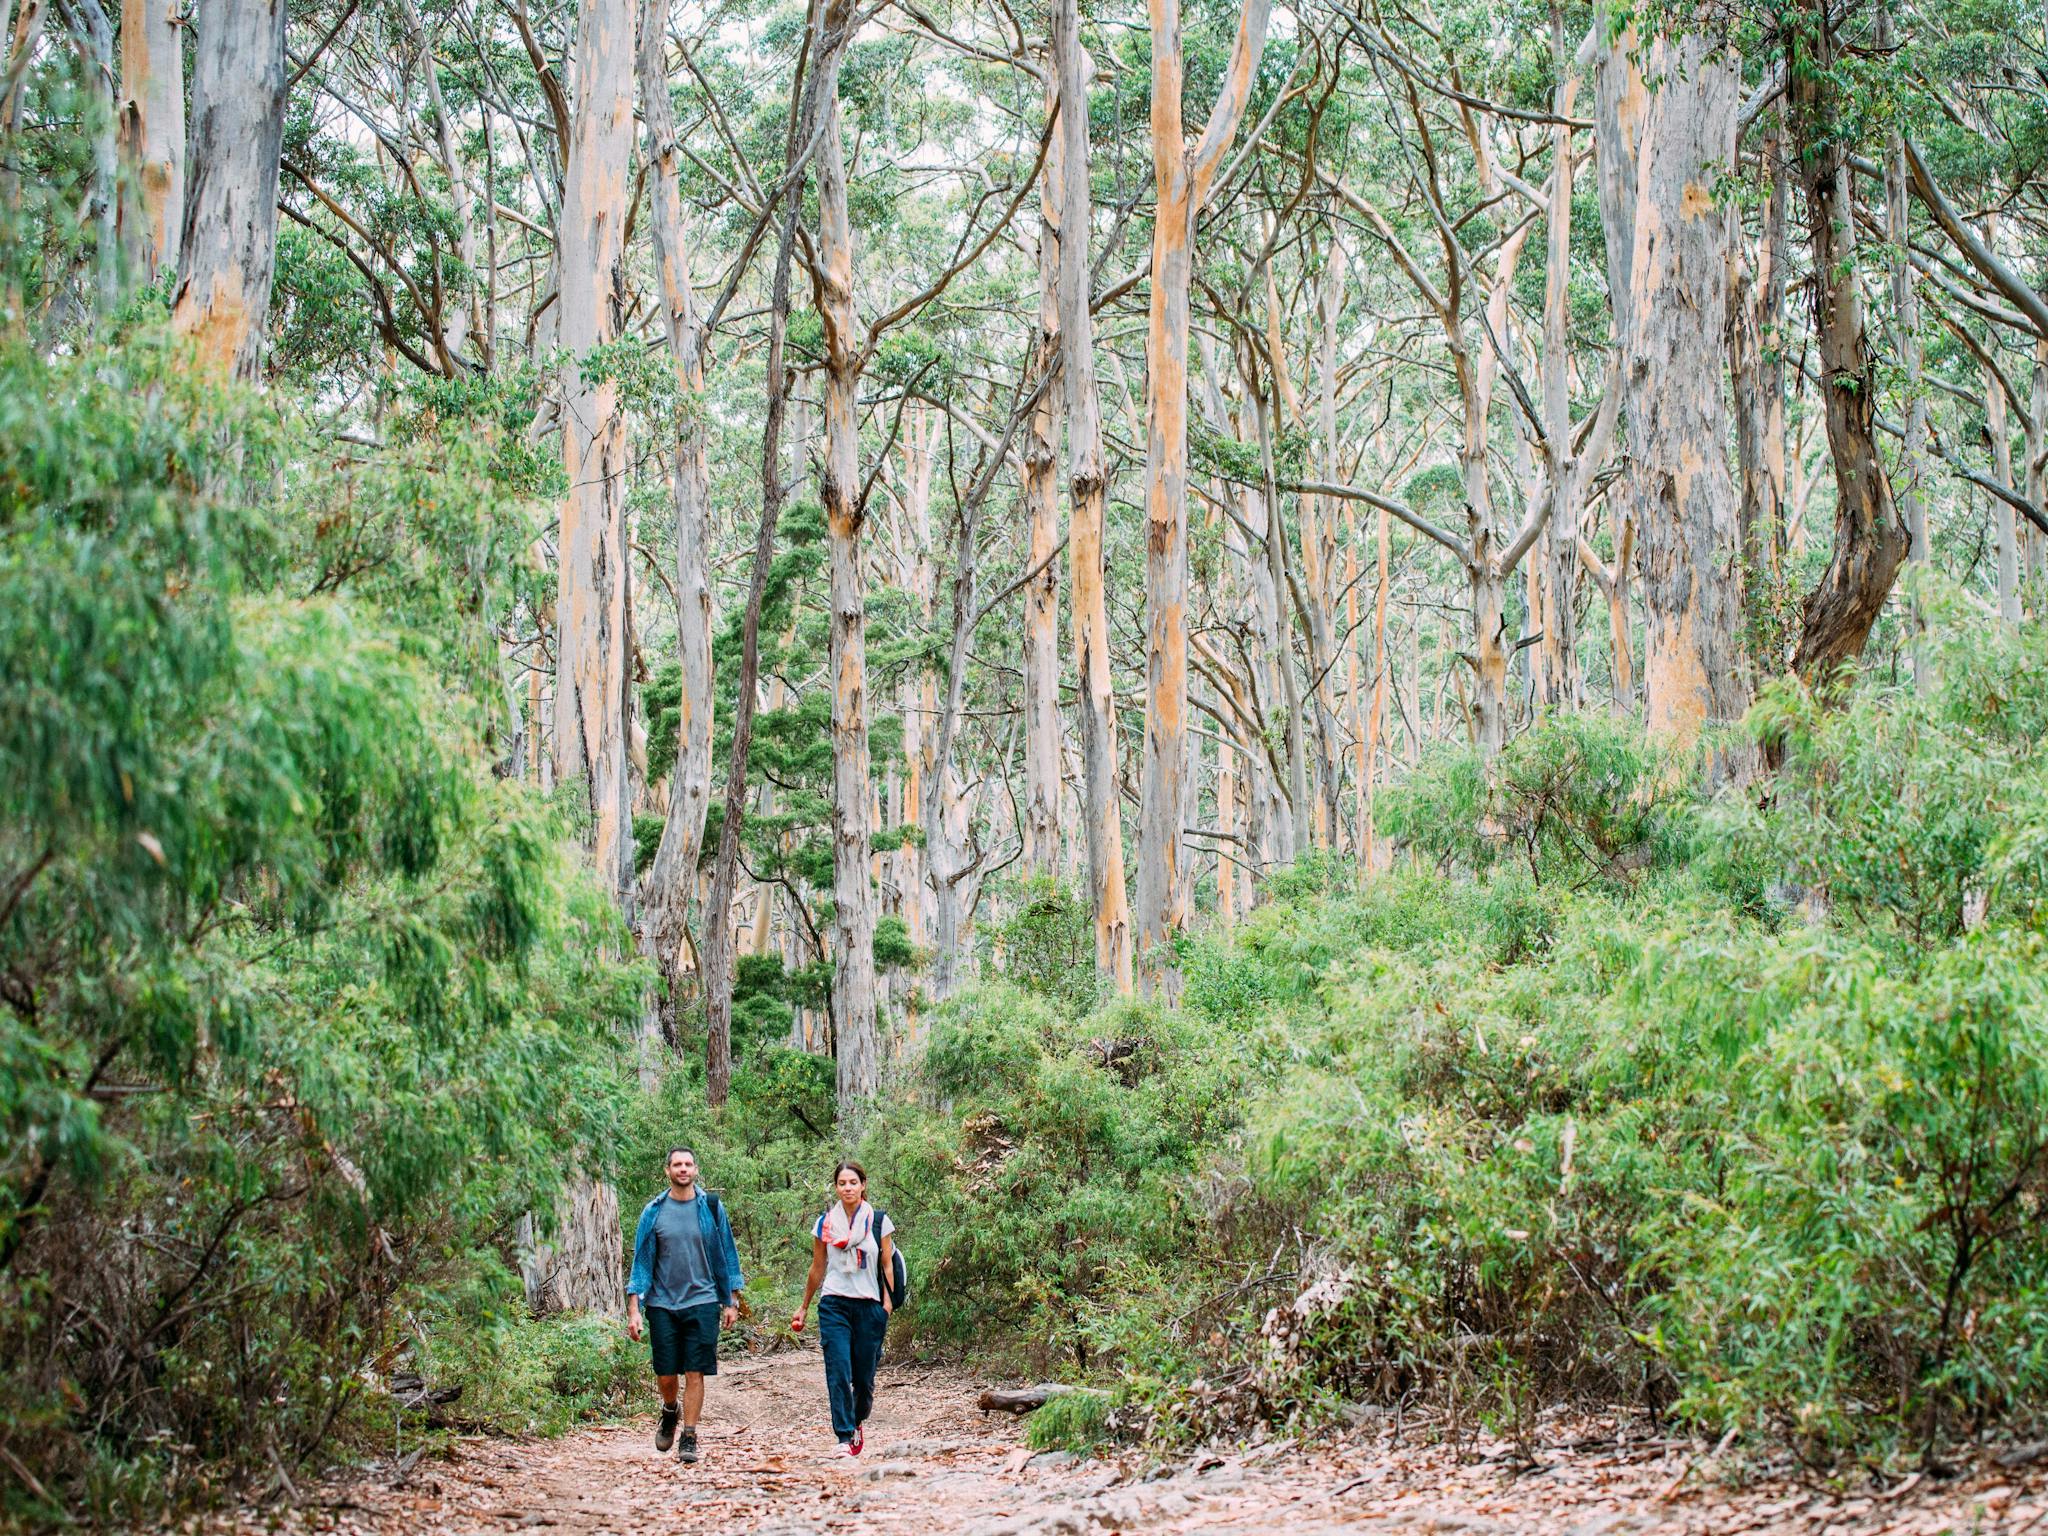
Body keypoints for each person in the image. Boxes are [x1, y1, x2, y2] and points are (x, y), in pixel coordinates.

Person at [625, 1148, 745, 1466]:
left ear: (696, 1169)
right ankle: (669, 1409)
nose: (683, 1169)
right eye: (677, 1164)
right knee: (666, 1375)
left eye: (688, 1164)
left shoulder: (710, 1207)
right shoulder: (653, 1211)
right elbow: (641, 1262)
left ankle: (689, 1435)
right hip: (662, 1303)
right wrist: (634, 1308)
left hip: (703, 1300)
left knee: (695, 1371)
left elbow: (727, 1253)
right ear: (667, 1171)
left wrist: (731, 1299)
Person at [789, 1162, 894, 1457]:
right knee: (838, 1369)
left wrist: (887, 1303)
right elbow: (817, 1266)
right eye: (842, 1183)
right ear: (836, 1187)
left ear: (863, 1185)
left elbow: (886, 1264)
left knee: (863, 1377)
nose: (847, 1188)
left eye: (853, 1182)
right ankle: (844, 1437)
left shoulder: (879, 1222)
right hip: (834, 1303)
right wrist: (804, 1306)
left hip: (869, 1306)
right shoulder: (825, 1223)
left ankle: (858, 1419)